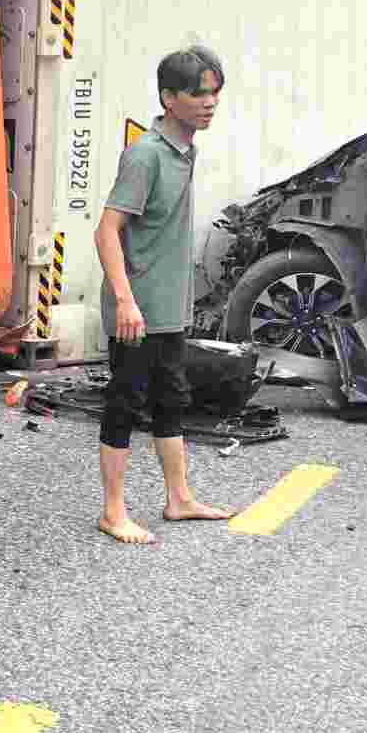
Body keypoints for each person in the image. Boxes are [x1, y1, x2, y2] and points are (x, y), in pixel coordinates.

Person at [94, 47, 238, 544]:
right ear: (169, 98)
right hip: (137, 310)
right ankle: (113, 512)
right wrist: (126, 300)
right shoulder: (146, 155)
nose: (210, 102)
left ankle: (179, 499)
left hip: (168, 308)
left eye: (215, 92)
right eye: (199, 93)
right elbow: (107, 230)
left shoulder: (186, 149)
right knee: (125, 404)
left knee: (171, 401)